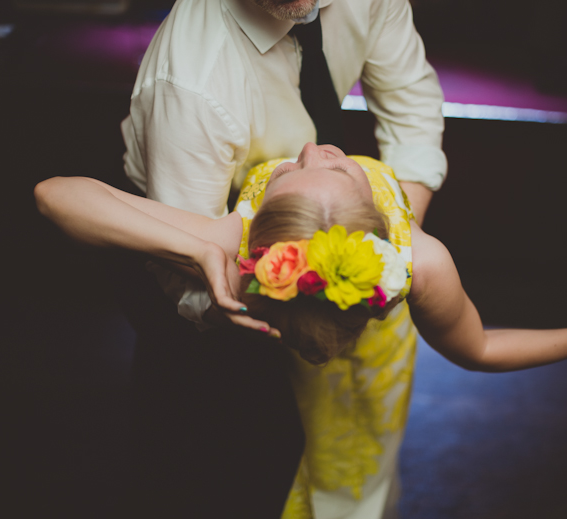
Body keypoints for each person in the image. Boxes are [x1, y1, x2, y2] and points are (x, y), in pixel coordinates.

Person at [35, 142, 567, 518]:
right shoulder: (403, 255)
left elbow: (56, 191)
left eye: (322, 165)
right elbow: (479, 345)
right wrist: (199, 248)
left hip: (367, 393)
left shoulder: (244, 236)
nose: (310, 147)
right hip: (283, 397)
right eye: (306, 168)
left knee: (352, 490)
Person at [117, 0, 446, 513]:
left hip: (335, 265)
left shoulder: (407, 257)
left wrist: (392, 236)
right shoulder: (191, 84)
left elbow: (413, 112)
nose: (319, 150)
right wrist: (269, 303)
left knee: (355, 459)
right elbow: (183, 274)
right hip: (213, 293)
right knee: (221, 474)